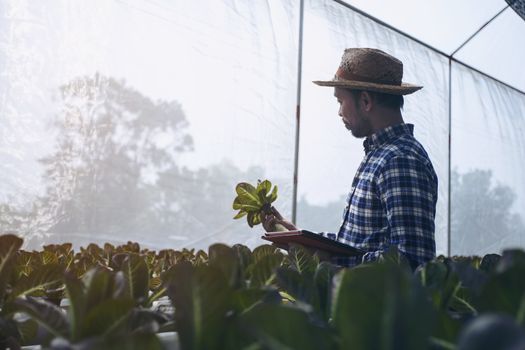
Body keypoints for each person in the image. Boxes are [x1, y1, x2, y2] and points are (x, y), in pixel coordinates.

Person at [262, 48, 438, 269]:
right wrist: (298, 238)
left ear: (365, 101)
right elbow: (359, 244)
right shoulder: (379, 155)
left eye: (340, 101)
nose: (339, 112)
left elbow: (411, 260)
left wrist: (333, 260)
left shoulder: (399, 160)